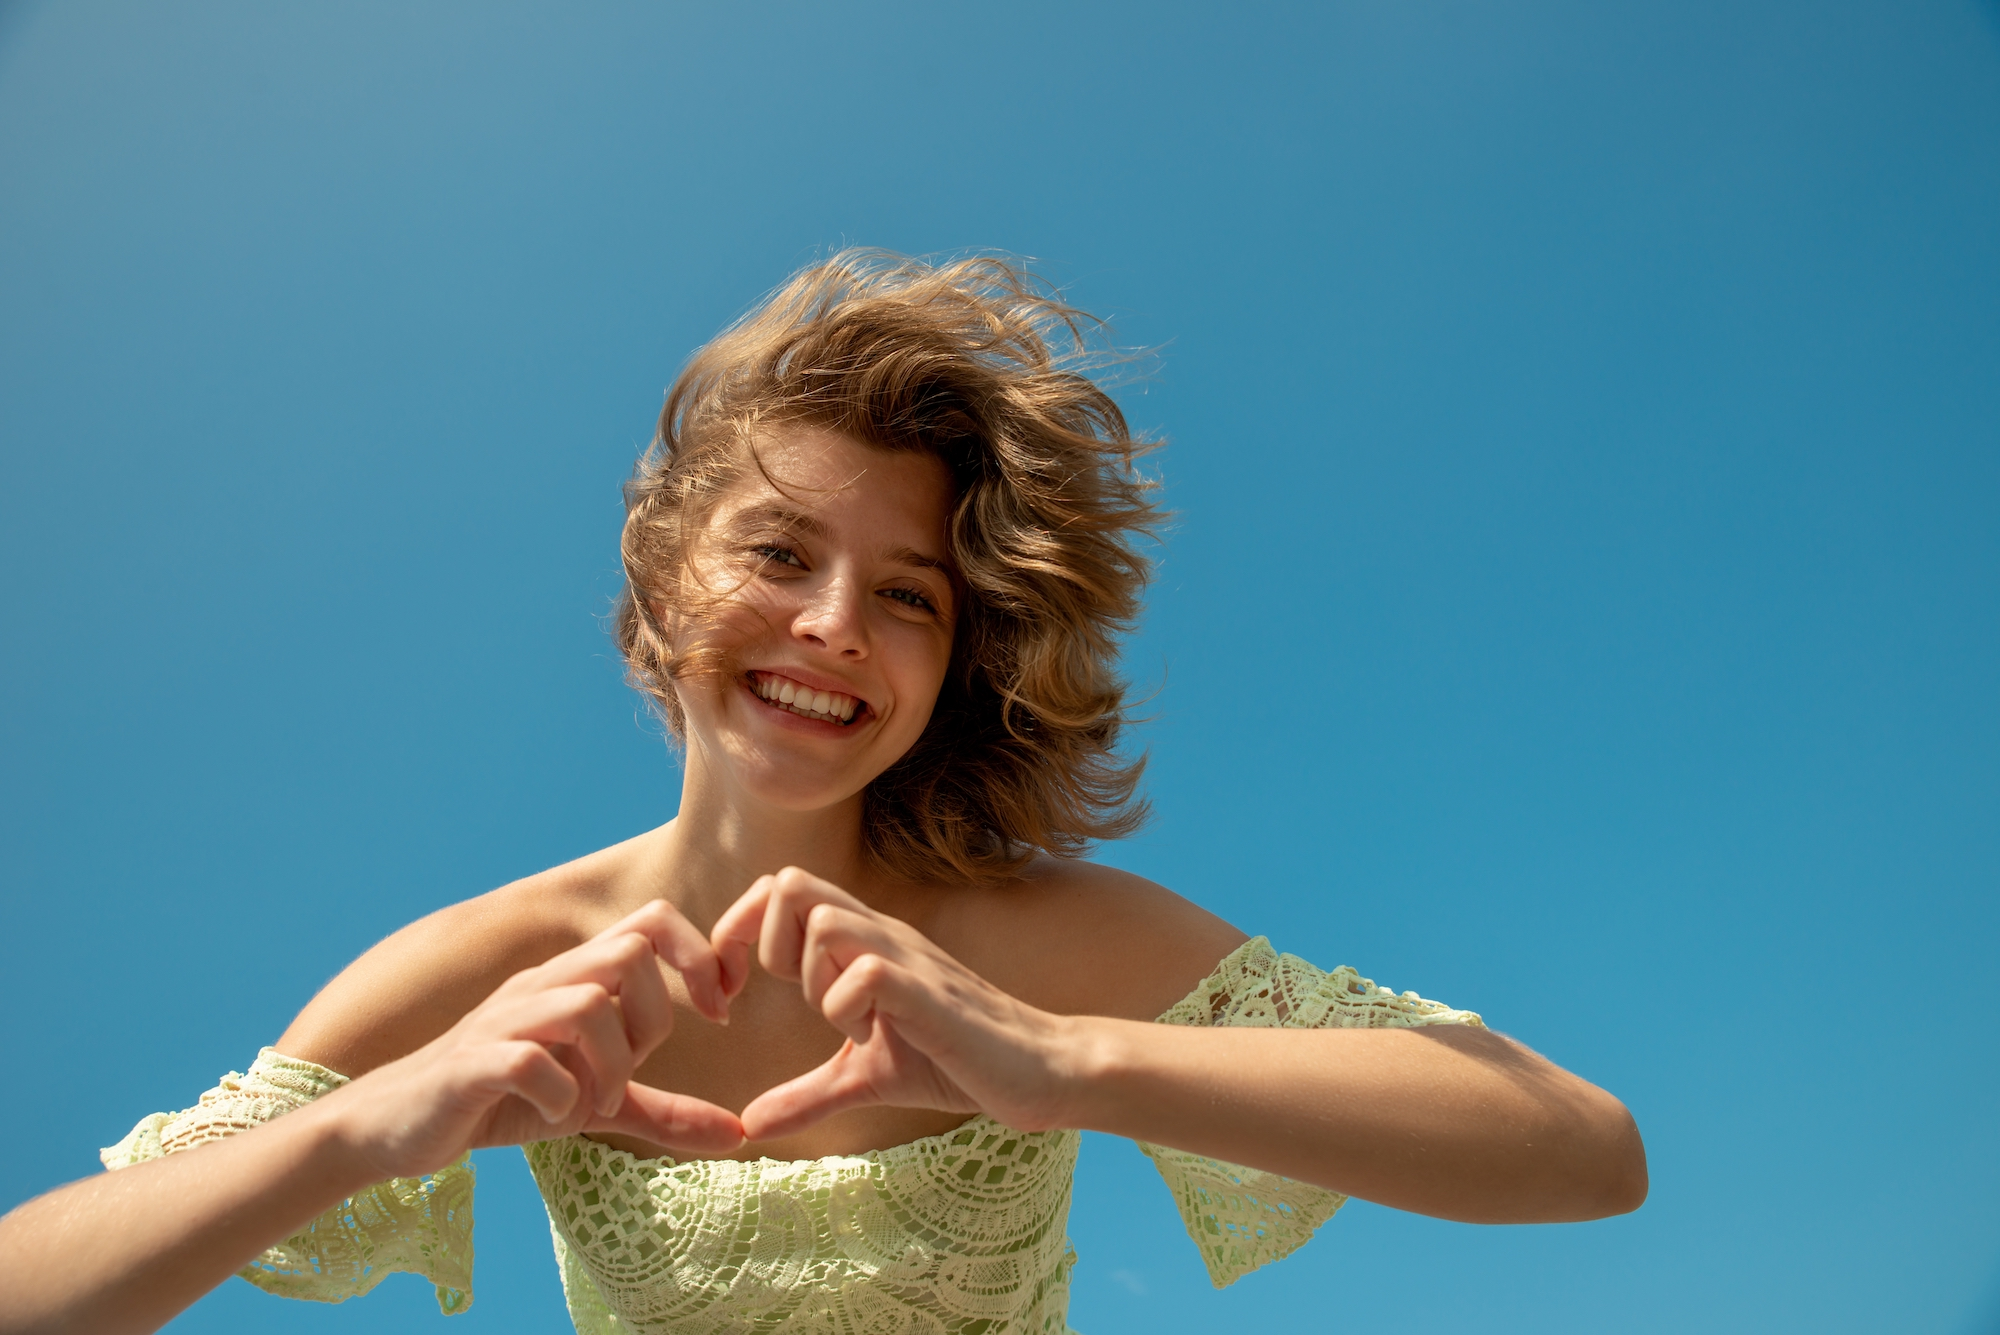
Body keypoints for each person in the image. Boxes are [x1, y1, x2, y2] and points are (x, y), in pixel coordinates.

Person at [0, 252, 1647, 1335]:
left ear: (955, 662)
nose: (834, 628)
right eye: (779, 553)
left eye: (910, 593)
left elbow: (1581, 1148)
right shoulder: (489, 968)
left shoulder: (1030, 943)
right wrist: (372, 1122)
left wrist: (1063, 1063)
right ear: (660, 591)